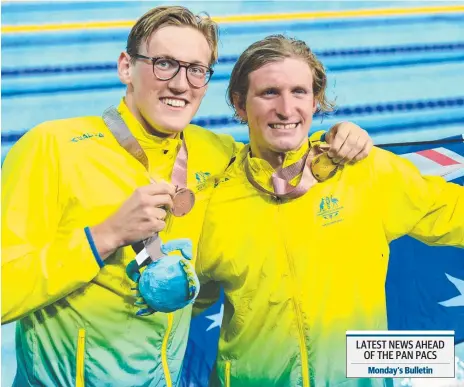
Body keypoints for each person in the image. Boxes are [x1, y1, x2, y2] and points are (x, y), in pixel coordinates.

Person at [1, 6, 373, 387]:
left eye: (196, 70)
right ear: (126, 67)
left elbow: (282, 151)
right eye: (164, 64)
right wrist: (104, 237)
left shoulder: (216, 153)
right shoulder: (53, 147)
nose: (181, 84)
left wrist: (340, 137)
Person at [192, 35, 464, 387]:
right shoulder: (215, 199)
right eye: (269, 93)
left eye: (299, 92)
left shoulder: (362, 171)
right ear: (239, 104)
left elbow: (454, 213)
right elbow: (182, 300)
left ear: (316, 100)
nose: (287, 109)